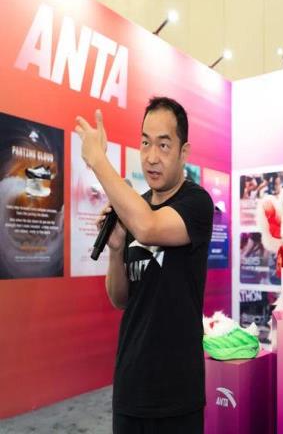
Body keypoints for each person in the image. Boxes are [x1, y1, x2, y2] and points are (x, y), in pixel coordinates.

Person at [75, 97, 214, 434]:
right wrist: (116, 249)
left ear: (183, 152)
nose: (152, 157)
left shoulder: (196, 203)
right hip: (131, 387)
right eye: (146, 143)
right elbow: (120, 298)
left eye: (164, 145)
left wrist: (98, 160)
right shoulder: (135, 209)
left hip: (177, 392)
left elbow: (149, 227)